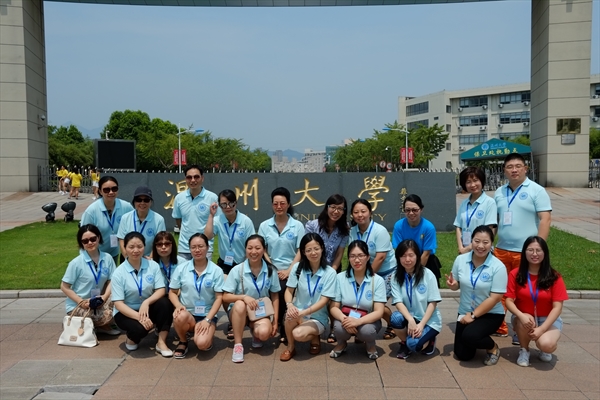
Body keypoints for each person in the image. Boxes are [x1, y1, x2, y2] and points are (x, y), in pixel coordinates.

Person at [494, 153, 552, 337]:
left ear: (525, 169)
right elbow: (495, 221)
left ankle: (523, 331)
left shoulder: (537, 190)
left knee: (523, 292)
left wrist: (538, 247)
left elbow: (545, 219)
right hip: (501, 250)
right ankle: (499, 327)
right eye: (510, 167)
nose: (514, 170)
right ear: (504, 170)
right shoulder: (499, 192)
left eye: (518, 166)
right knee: (499, 290)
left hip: (525, 252)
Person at [446, 225, 507, 365]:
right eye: (477, 241)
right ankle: (475, 336)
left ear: (491, 244)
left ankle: (492, 347)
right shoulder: (461, 260)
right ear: (471, 241)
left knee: (470, 336)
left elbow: (495, 298)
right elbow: (457, 284)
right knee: (463, 355)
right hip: (465, 312)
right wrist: (453, 285)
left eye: (485, 242)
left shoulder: (498, 267)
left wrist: (473, 316)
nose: (480, 246)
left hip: (490, 314)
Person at [506, 236, 568, 367]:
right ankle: (524, 350)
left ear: (545, 253)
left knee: (547, 345)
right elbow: (509, 301)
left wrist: (542, 329)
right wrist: (520, 315)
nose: (534, 254)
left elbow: (557, 307)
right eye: (530, 250)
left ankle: (543, 348)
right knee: (525, 320)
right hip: (525, 317)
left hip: (548, 319)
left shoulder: (554, 276)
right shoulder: (515, 274)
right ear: (524, 252)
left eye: (538, 250)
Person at [111, 232, 174, 357]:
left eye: (139, 246)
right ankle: (131, 338)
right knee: (140, 329)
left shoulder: (153, 265)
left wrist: (147, 302)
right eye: (131, 247)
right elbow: (118, 304)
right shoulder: (118, 273)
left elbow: (161, 289)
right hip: (126, 311)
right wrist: (140, 318)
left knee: (165, 303)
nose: (136, 250)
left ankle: (161, 342)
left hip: (147, 307)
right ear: (125, 248)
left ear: (144, 247)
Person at [205, 189, 256, 340]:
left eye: (231, 203)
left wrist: (248, 264)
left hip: (242, 263)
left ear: (236, 203)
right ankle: (232, 320)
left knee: (241, 292)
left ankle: (243, 317)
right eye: (224, 204)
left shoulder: (245, 221)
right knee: (225, 293)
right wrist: (211, 215)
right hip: (225, 264)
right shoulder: (218, 220)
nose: (228, 207)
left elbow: (252, 243)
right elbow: (207, 235)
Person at [222, 235, 281, 363]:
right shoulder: (237, 270)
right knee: (239, 304)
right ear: (245, 250)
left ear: (264, 250)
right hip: (240, 312)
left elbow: (275, 296)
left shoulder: (271, 270)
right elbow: (225, 296)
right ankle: (238, 345)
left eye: (257, 248)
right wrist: (243, 297)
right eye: (250, 248)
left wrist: (275, 321)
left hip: (260, 312)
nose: (253, 252)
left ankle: (256, 333)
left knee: (264, 333)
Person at [257, 187, 305, 344]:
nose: (279, 206)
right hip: (270, 268)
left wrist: (289, 270)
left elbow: (300, 250)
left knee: (284, 289)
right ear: (272, 205)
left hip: (293, 268)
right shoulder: (265, 225)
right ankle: (266, 323)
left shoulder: (297, 225)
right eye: (275, 203)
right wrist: (273, 268)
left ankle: (284, 326)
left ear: (288, 204)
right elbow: (262, 249)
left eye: (282, 203)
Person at [280, 233, 337, 361]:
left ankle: (315, 336)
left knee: (298, 334)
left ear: (322, 248)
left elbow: (324, 300)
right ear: (303, 252)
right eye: (309, 250)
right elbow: (289, 291)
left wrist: (303, 313)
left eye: (316, 248)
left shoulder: (330, 273)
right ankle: (290, 347)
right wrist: (290, 305)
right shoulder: (298, 268)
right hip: (298, 311)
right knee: (289, 316)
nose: (313, 253)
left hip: (318, 317)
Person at [169, 233, 225, 359]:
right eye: (193, 247)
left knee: (202, 344)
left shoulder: (216, 270)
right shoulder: (181, 268)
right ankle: (183, 341)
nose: (197, 250)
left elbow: (219, 298)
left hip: (207, 314)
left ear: (208, 247)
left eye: (201, 246)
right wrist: (178, 305)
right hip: (187, 313)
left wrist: (207, 320)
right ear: (189, 249)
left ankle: (203, 334)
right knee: (180, 315)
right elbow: (172, 292)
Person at [348, 199, 397, 340]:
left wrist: (367, 276)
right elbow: (352, 254)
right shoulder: (352, 231)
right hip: (364, 271)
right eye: (356, 212)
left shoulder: (380, 231)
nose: (360, 215)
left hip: (386, 271)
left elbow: (381, 257)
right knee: (363, 302)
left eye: (363, 211)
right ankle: (362, 329)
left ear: (370, 212)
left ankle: (393, 324)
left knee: (375, 303)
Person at [304, 194, 349, 344]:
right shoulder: (313, 225)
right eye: (333, 207)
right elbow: (305, 248)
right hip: (313, 268)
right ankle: (312, 325)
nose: (336, 211)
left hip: (332, 268)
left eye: (340, 208)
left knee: (333, 300)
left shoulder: (344, 229)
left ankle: (333, 329)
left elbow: (340, 254)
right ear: (327, 207)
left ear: (344, 211)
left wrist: (332, 272)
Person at [329, 240, 386, 360]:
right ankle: (341, 343)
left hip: (368, 320)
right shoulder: (340, 278)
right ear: (348, 258)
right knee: (339, 328)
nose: (357, 260)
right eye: (352, 256)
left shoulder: (377, 280)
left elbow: (379, 312)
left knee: (367, 331)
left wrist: (357, 322)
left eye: (361, 256)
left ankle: (370, 345)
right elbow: (334, 307)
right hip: (346, 317)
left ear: (368, 257)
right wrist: (345, 320)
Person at [60, 224, 120, 335]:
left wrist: (104, 297)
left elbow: (112, 280)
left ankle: (98, 325)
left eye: (93, 239)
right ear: (81, 243)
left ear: (99, 238)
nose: (90, 243)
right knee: (106, 316)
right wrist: (81, 301)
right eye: (85, 241)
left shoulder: (107, 258)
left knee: (120, 297)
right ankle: (92, 324)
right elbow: (64, 287)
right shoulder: (76, 263)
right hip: (79, 304)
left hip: (98, 300)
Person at [390, 239, 442, 359]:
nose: (407, 259)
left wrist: (421, 324)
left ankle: (430, 339)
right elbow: (398, 302)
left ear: (418, 256)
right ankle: (405, 343)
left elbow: (433, 303)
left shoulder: (428, 275)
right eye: (403, 256)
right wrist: (410, 320)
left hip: (428, 320)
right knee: (395, 318)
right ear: (398, 258)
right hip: (410, 317)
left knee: (414, 345)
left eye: (411, 255)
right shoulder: (395, 276)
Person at [80, 176, 134, 263]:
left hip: (114, 252)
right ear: (100, 191)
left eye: (114, 189)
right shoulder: (91, 211)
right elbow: (83, 235)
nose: (111, 192)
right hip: (94, 253)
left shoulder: (126, 207)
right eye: (106, 190)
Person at [392, 194, 441, 287]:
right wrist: (407, 269)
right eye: (407, 210)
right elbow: (399, 251)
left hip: (425, 263)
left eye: (415, 210)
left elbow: (426, 254)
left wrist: (414, 274)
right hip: (405, 261)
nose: (411, 213)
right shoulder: (398, 226)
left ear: (421, 209)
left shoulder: (428, 227)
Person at [172, 164, 218, 260]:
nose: (193, 180)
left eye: (196, 177)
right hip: (184, 248)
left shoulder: (212, 198)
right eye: (189, 177)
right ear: (185, 179)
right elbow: (178, 220)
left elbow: (216, 222)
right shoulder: (179, 198)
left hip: (205, 248)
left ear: (202, 178)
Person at [454, 166, 497, 254]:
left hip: (482, 250)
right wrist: (461, 247)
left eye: (475, 180)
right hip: (464, 250)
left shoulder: (489, 202)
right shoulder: (464, 203)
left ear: (481, 181)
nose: (473, 185)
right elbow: (458, 226)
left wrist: (468, 248)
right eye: (468, 182)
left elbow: (489, 230)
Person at [117, 186, 166, 258]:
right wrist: (127, 257)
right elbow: (121, 239)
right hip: (128, 257)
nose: (142, 203)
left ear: (150, 202)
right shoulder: (125, 218)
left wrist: (150, 259)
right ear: (134, 202)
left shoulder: (159, 220)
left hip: (148, 258)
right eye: (139, 200)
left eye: (146, 200)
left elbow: (159, 242)